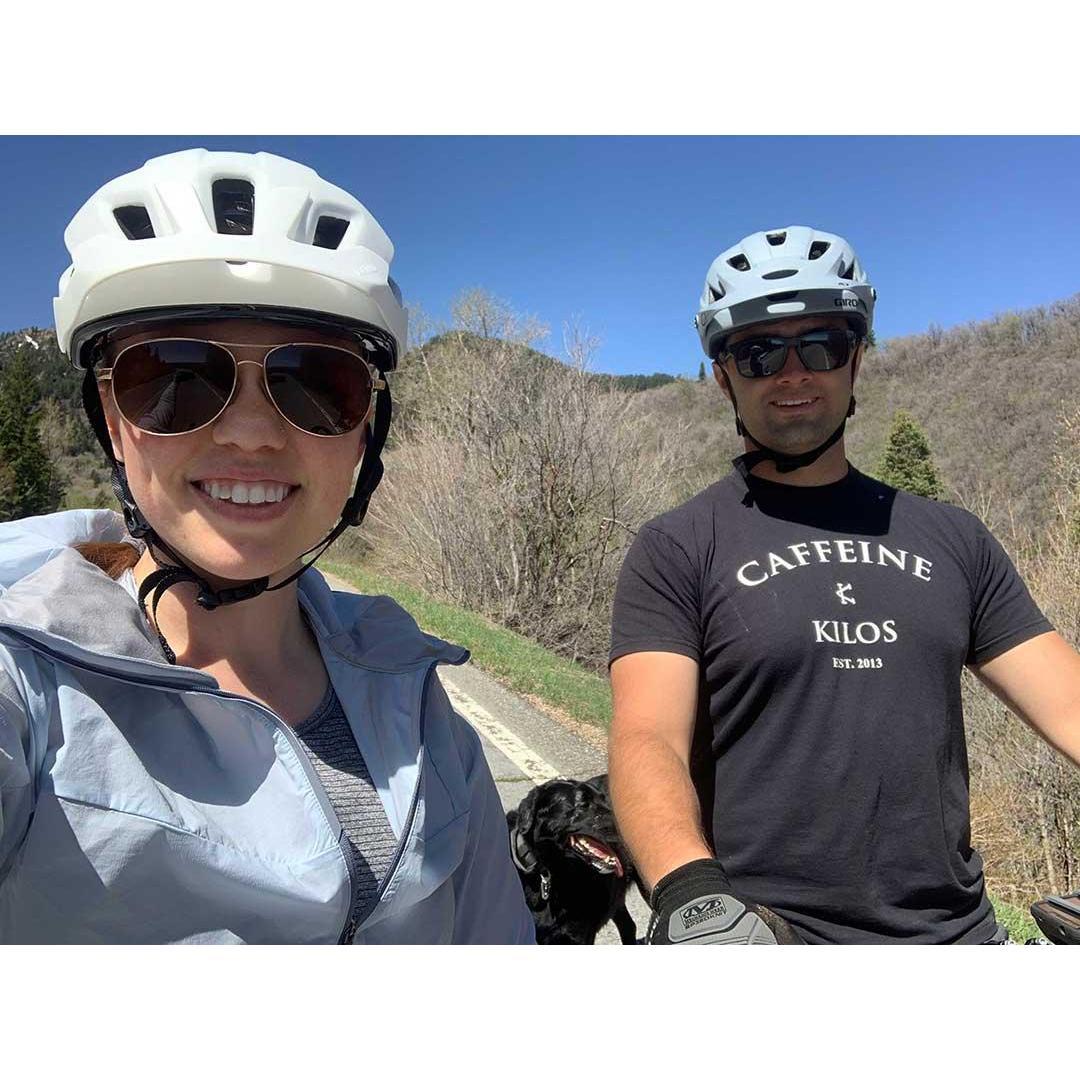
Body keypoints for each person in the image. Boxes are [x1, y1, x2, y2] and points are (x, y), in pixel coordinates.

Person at [0, 148, 534, 944]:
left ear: (364, 434)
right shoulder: (26, 685)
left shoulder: (416, 696)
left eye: (317, 383)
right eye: (172, 377)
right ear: (112, 421)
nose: (250, 434)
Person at [607, 225, 1080, 944]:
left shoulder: (954, 538)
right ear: (722, 375)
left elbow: (1070, 705)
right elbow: (647, 738)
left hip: (962, 936)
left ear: (857, 359)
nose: (791, 373)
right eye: (758, 351)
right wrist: (691, 892)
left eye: (821, 345)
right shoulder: (677, 546)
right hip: (761, 935)